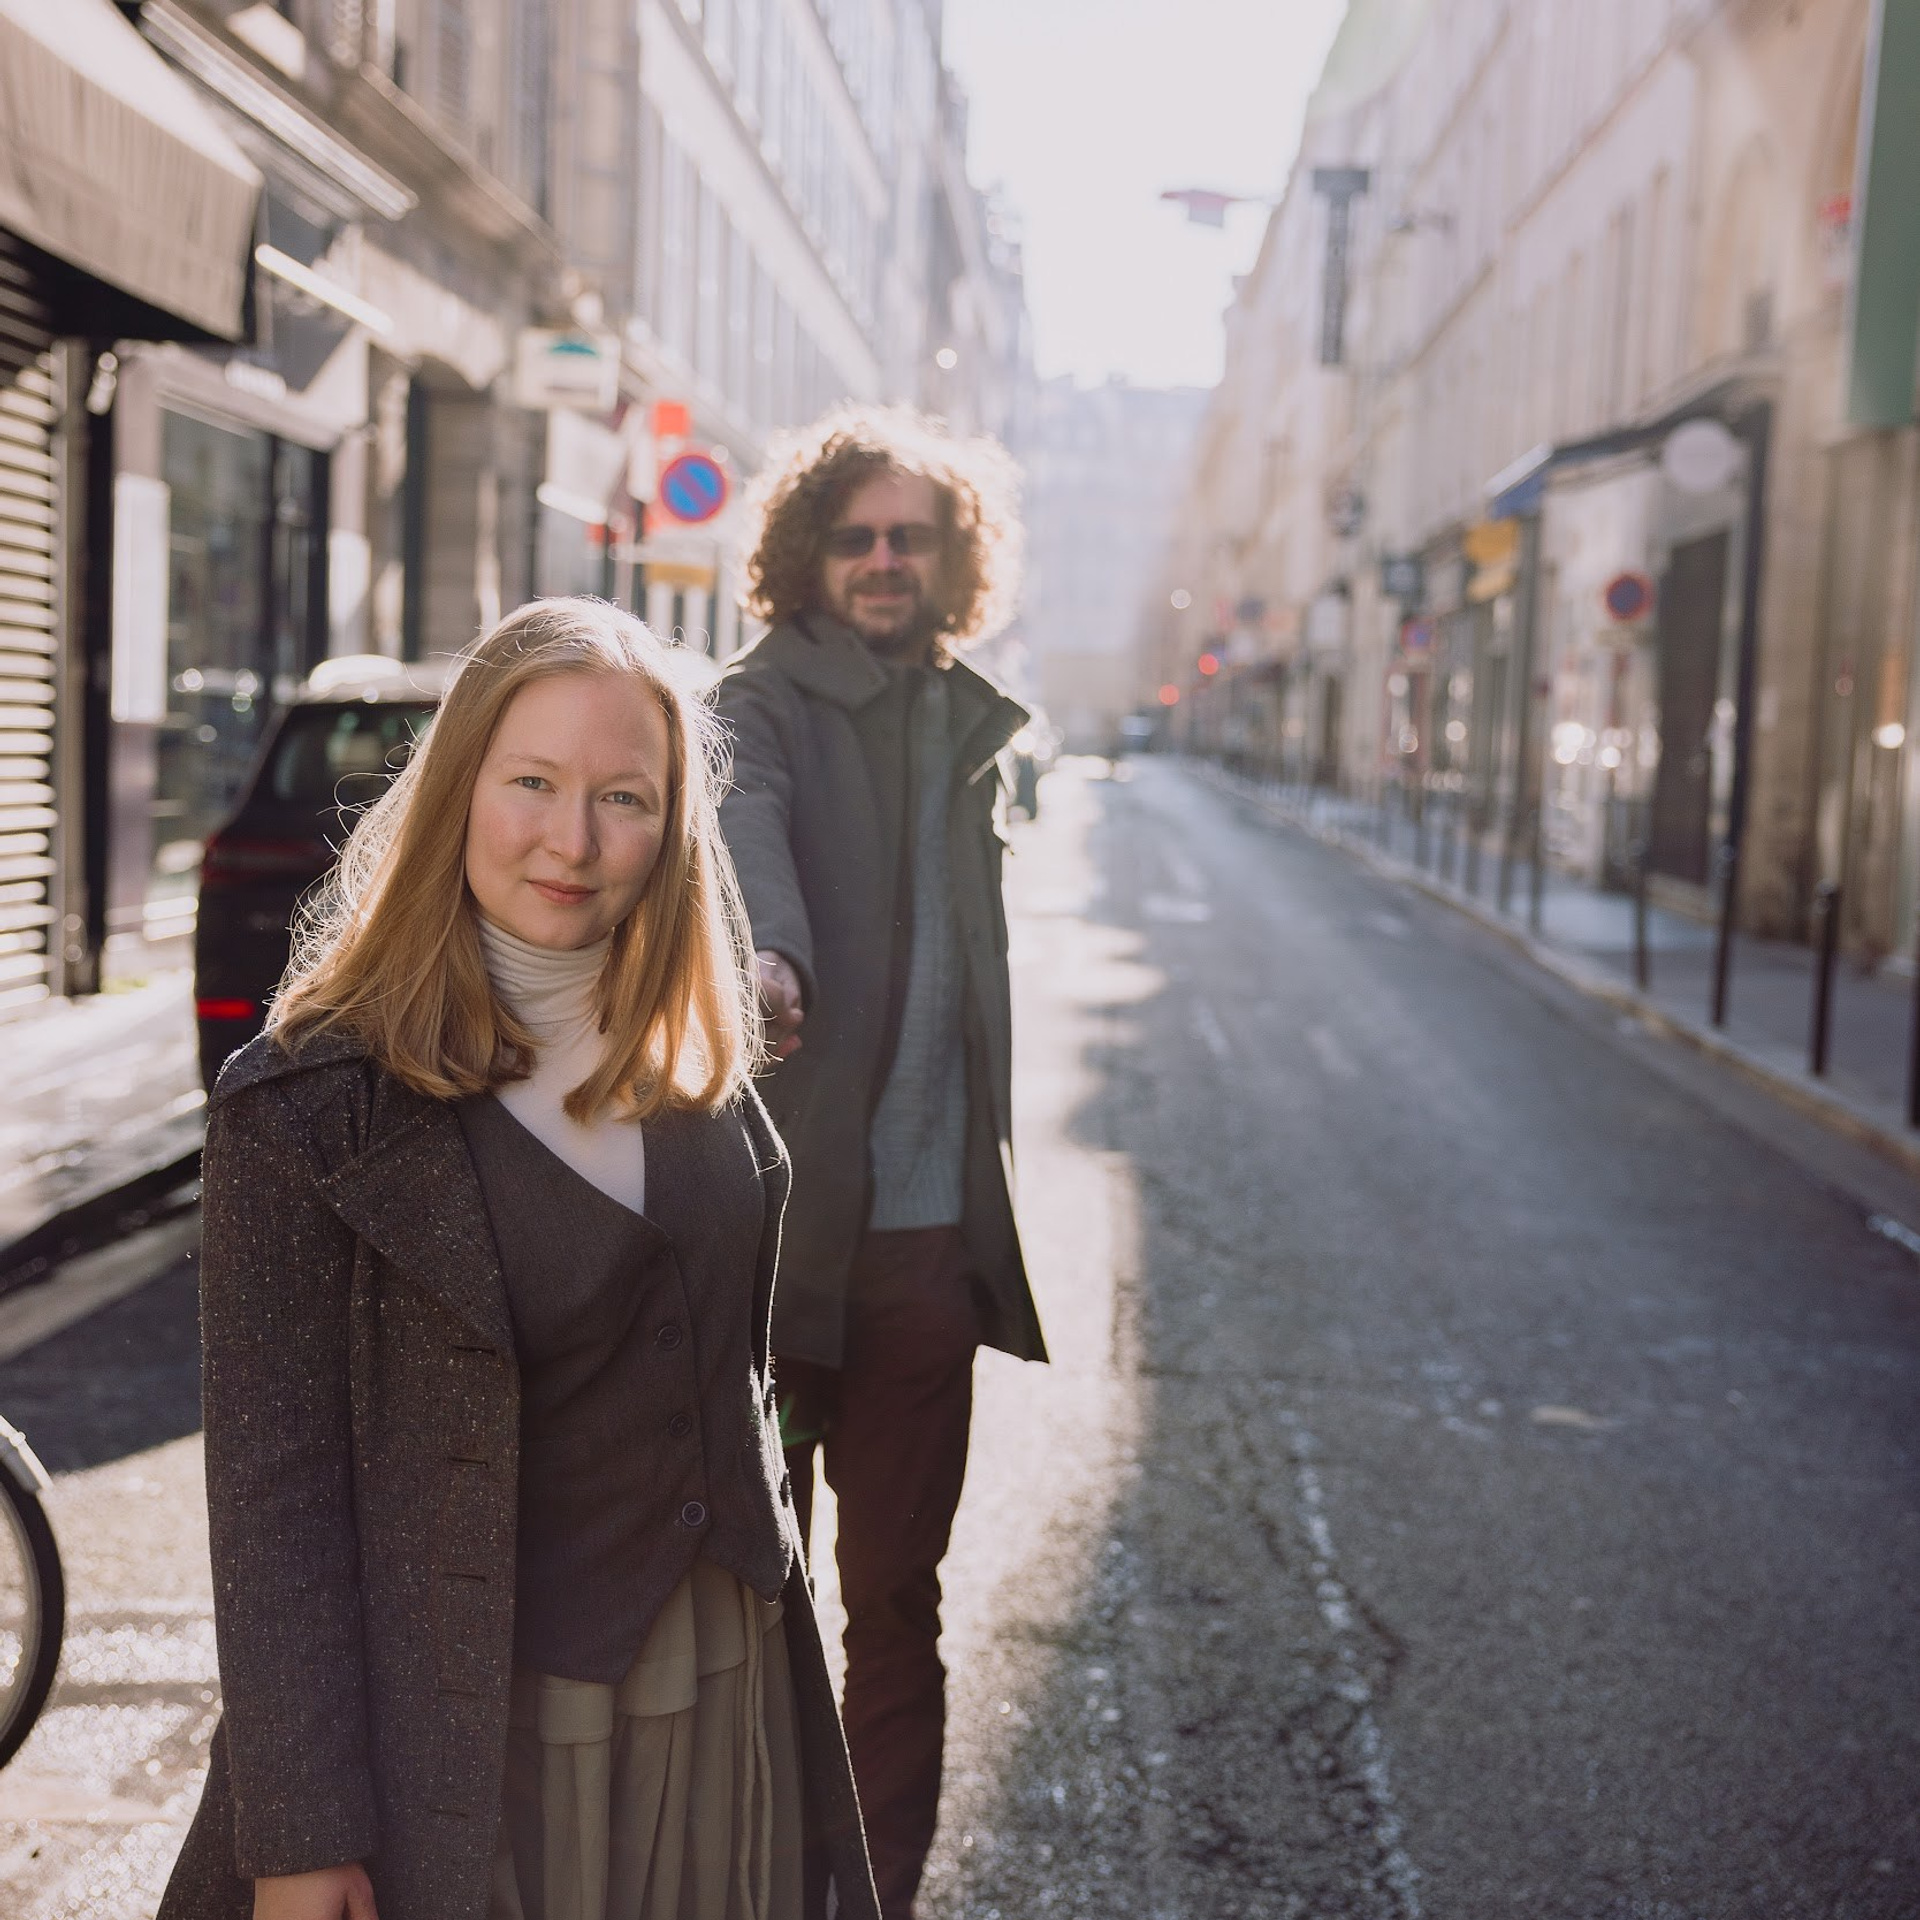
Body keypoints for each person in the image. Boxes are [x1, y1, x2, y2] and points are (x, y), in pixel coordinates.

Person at [158, 600, 878, 1920]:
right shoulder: (306, 1109)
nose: (574, 841)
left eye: (624, 797)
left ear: (672, 832)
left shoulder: (696, 1060)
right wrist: (302, 1835)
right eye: (532, 783)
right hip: (471, 1744)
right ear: (458, 792)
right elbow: (274, 1507)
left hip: (727, 1695)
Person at [714, 406, 1047, 1920]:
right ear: (806, 554)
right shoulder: (759, 700)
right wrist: (768, 952)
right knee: (747, 1611)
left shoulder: (966, 720)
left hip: (924, 1254)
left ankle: (877, 1898)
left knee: (895, 1613)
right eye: (853, 536)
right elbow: (742, 818)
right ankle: (756, 1882)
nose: (881, 559)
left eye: (910, 535)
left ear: (951, 556)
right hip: (780, 1255)